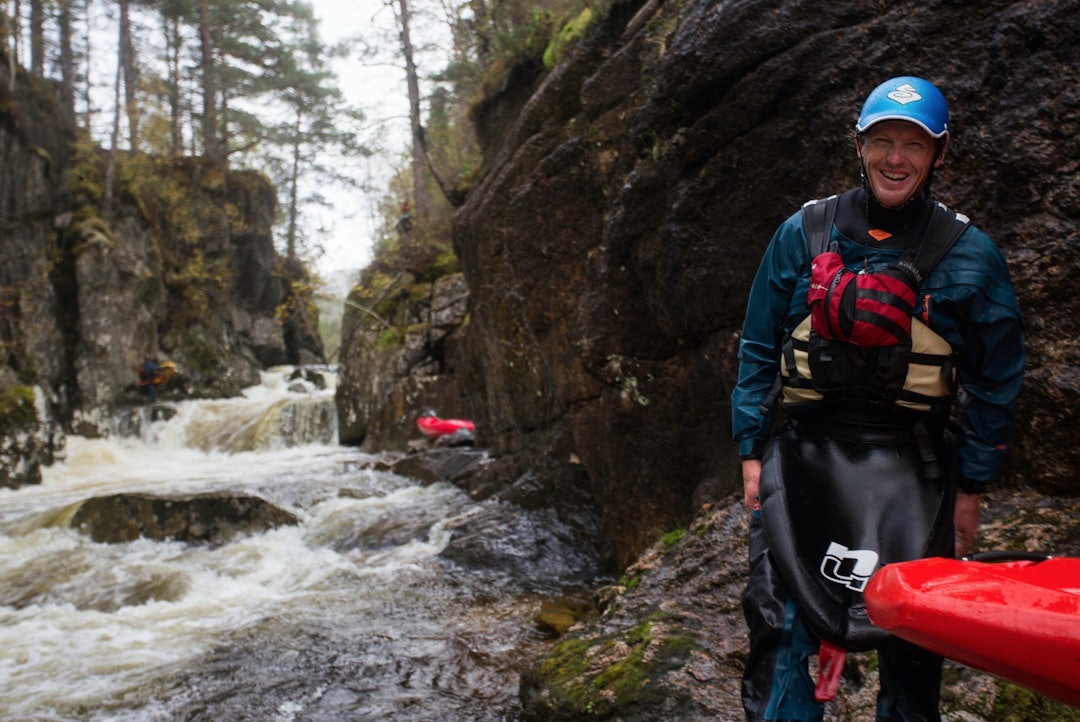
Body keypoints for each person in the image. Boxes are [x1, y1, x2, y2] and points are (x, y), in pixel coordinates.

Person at [730, 76, 1025, 721]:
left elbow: (997, 381)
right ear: (859, 146)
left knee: (915, 643)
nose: (897, 158)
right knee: (778, 626)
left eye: (914, 145)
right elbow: (757, 346)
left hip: (914, 466)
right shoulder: (802, 232)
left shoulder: (971, 256)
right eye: (882, 141)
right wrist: (752, 451)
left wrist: (971, 487)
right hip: (804, 452)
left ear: (939, 154)